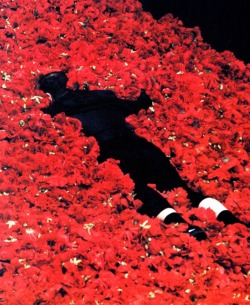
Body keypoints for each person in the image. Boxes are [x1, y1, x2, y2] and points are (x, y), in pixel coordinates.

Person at [38, 71, 247, 241]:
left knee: (139, 190)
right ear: (69, 82)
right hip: (137, 144)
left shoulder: (54, 110)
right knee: (180, 187)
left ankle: (183, 226)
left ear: (48, 93)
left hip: (110, 151)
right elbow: (140, 103)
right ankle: (229, 218)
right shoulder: (102, 97)